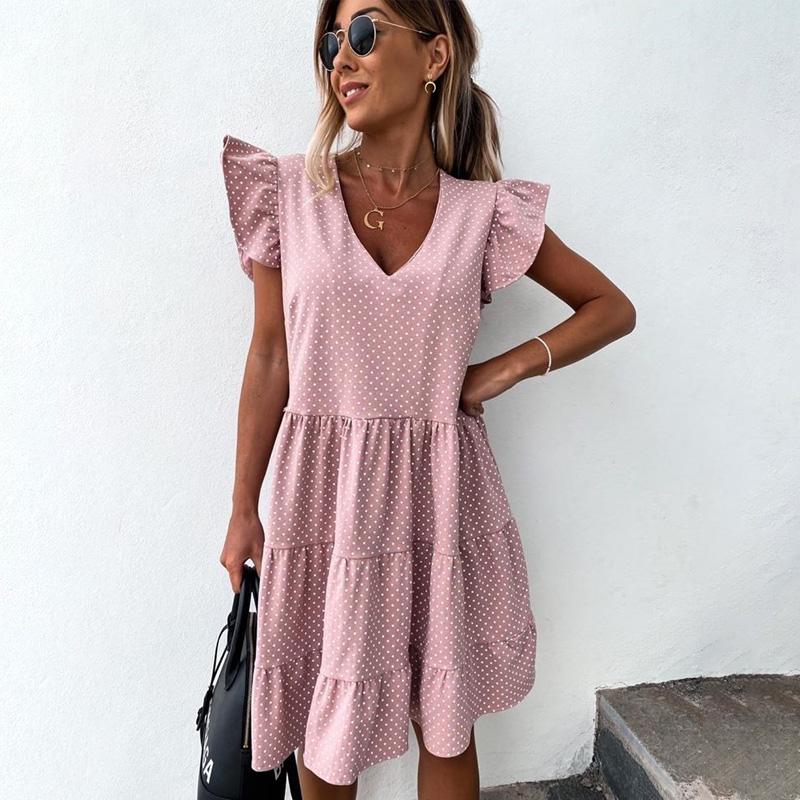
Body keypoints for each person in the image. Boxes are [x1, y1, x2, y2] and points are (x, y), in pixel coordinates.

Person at [218, 2, 636, 798]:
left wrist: (502, 369)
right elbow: (271, 353)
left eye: (365, 34)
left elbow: (610, 308)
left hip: (441, 497)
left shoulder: (484, 214)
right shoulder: (289, 194)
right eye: (331, 43)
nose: (342, 59)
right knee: (326, 723)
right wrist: (243, 506)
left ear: (435, 56)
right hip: (325, 498)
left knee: (444, 718)